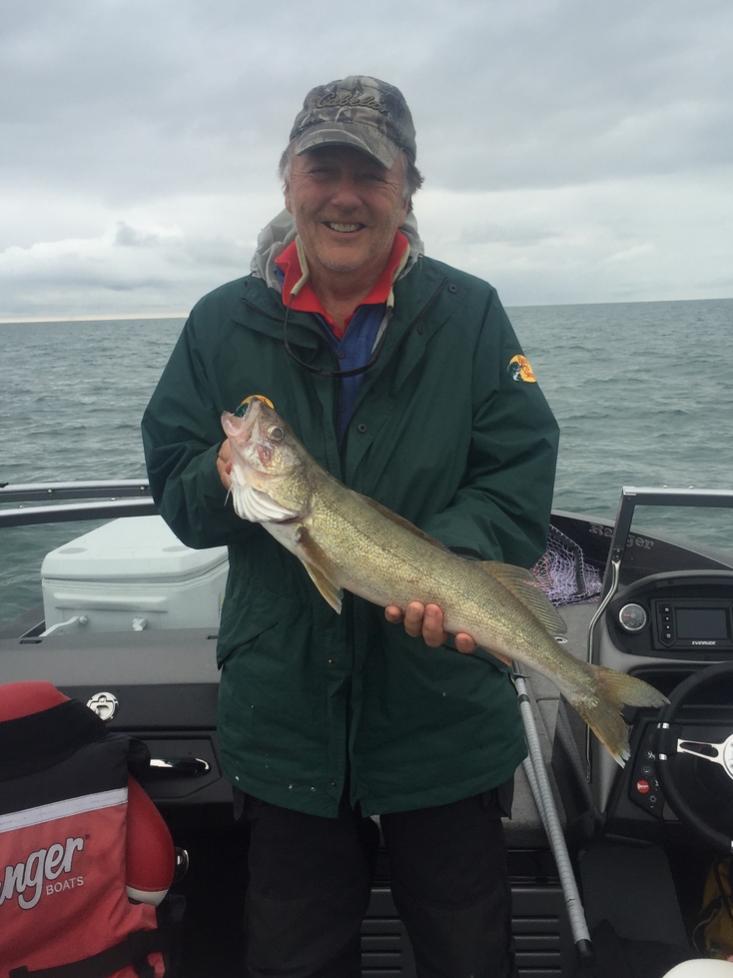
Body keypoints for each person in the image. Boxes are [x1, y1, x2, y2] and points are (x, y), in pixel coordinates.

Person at [142, 75, 559, 978]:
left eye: (369, 174)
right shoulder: (219, 322)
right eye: (321, 169)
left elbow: (518, 471)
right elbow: (175, 486)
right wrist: (221, 478)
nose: (343, 196)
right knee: (293, 960)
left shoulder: (469, 313)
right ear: (287, 179)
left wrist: (448, 566)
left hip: (443, 714)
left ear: (407, 189)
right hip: (285, 718)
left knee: (468, 956)